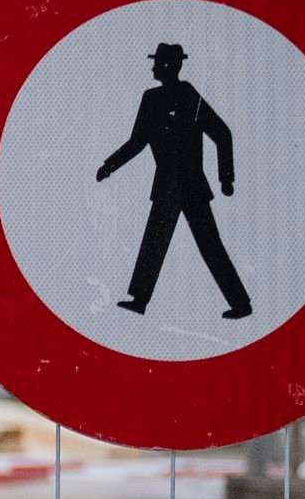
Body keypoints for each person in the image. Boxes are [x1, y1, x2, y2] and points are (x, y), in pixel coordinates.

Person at [95, 39, 249, 320]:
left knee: (205, 245)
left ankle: (240, 304)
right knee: (160, 241)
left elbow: (221, 133)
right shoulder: (152, 98)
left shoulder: (186, 95)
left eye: (158, 63)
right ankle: (140, 299)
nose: (154, 68)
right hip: (173, 185)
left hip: (186, 185)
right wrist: (109, 165)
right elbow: (138, 142)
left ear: (168, 66)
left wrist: (226, 178)